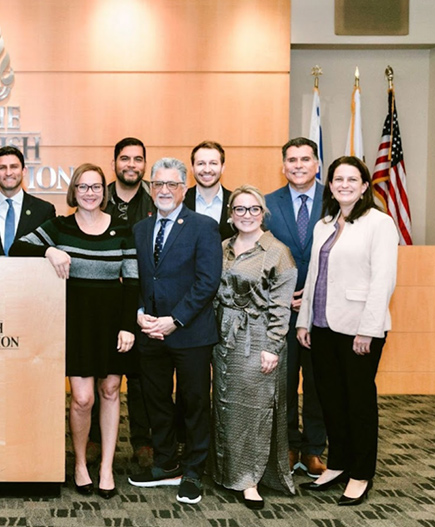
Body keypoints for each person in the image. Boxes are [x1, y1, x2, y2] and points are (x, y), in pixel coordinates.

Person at [11, 163, 138, 499]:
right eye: (83, 187)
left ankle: (106, 467)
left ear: (104, 191)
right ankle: (81, 463)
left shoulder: (122, 229)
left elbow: (133, 282)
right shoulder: (61, 226)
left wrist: (128, 326)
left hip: (112, 321)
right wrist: (49, 249)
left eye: (96, 187)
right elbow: (17, 248)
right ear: (74, 191)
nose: (90, 193)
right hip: (75, 321)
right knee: (83, 399)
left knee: (111, 390)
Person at [296, 156, 398, 506]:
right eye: (338, 179)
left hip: (358, 329)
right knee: (331, 402)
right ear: (330, 184)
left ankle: (361, 472)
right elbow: (313, 277)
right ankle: (338, 463)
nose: (344, 185)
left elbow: (383, 280)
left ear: (365, 186)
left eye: (352, 180)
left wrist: (368, 330)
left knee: (359, 403)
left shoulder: (379, 223)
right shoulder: (325, 223)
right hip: (323, 326)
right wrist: (303, 321)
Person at [126, 157, 221, 505]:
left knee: (194, 402)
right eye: (158, 185)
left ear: (183, 188)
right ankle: (166, 462)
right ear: (151, 189)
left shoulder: (203, 226)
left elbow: (207, 281)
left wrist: (175, 319)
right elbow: (137, 278)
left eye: (171, 185)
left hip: (191, 333)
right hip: (150, 332)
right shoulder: (140, 228)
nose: (164, 191)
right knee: (156, 402)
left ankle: (194, 469)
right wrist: (139, 313)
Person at [211, 185, 297, 510]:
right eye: (240, 209)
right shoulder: (223, 247)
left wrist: (273, 345)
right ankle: (225, 471)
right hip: (223, 337)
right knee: (224, 404)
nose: (247, 215)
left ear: (263, 213)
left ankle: (250, 479)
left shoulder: (277, 251)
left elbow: (281, 305)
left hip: (259, 337)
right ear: (231, 215)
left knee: (255, 408)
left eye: (254, 209)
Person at [265, 138, 328, 477]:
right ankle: (289, 444)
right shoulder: (267, 204)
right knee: (284, 383)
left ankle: (315, 448)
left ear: (317, 164)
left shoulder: (334, 200)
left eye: (306, 159)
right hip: (281, 311)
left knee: (318, 383)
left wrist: (317, 294)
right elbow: (258, 256)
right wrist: (280, 294)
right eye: (292, 160)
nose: (298, 165)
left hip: (323, 312)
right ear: (284, 165)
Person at [103, 137, 156, 469]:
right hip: (104, 300)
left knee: (141, 377)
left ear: (144, 165)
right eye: (125, 159)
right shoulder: (96, 195)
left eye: (138, 159)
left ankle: (142, 441)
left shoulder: (155, 199)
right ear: (114, 164)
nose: (131, 165)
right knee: (100, 373)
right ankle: (95, 439)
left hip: (144, 299)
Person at [0, 145, 56, 256]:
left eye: (14, 167)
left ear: (24, 171)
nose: (8, 172)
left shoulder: (43, 211)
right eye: (2, 167)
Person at [185, 141, 235, 241]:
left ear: (222, 168)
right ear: (192, 168)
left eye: (213, 163)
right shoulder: (179, 201)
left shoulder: (235, 202)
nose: (207, 169)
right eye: (201, 163)